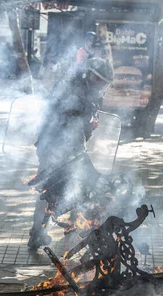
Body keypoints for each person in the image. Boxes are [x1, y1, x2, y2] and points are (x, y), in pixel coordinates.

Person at [28, 57, 114, 250]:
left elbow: (85, 126)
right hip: (54, 149)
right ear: (89, 76)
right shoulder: (71, 91)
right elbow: (67, 125)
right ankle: (38, 233)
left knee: (79, 186)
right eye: (101, 81)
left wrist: (90, 127)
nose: (102, 87)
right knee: (49, 190)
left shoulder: (90, 93)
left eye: (105, 83)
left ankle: (71, 227)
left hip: (73, 151)